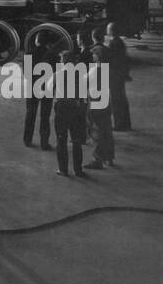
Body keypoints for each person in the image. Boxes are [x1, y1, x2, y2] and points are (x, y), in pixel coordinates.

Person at [52, 44, 89, 178]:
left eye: (61, 60)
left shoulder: (57, 74)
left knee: (61, 140)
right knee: (76, 140)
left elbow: (48, 88)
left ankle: (63, 169)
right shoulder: (81, 75)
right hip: (76, 108)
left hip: (62, 107)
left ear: (64, 62)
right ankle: (78, 170)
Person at [84, 33, 115, 169]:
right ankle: (109, 157)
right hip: (107, 102)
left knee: (97, 132)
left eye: (94, 55)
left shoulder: (95, 70)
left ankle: (97, 160)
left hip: (96, 103)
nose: (92, 57)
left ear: (98, 57)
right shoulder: (107, 69)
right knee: (107, 130)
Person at [22, 29, 55, 151]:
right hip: (47, 88)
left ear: (37, 41)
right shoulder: (52, 55)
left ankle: (27, 140)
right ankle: (44, 143)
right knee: (45, 116)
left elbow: (26, 74)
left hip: (32, 87)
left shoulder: (28, 54)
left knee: (30, 113)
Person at [106, 23, 132, 130]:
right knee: (121, 99)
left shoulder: (114, 43)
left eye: (108, 29)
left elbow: (113, 60)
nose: (106, 31)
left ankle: (119, 124)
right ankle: (126, 123)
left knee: (116, 100)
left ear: (111, 31)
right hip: (120, 74)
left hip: (115, 75)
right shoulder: (120, 42)